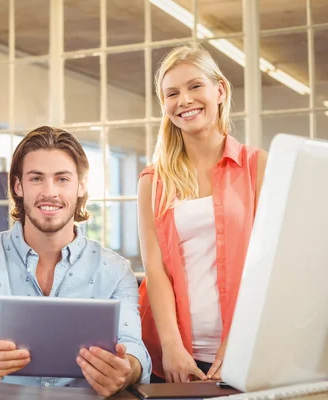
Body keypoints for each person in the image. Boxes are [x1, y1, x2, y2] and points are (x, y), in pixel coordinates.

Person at [0, 126, 152, 397]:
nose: (49, 192)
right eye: (36, 178)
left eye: (62, 179)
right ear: (18, 186)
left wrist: (125, 370)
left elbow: (136, 353)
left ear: (81, 186)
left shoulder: (115, 270)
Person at [137, 45, 267, 383]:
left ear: (219, 90)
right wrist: (172, 347)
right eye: (172, 93)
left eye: (195, 86)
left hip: (247, 346)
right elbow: (155, 268)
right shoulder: (153, 181)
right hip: (177, 355)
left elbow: (270, 262)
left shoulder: (258, 166)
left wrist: (238, 336)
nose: (184, 100)